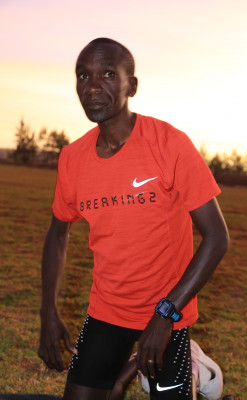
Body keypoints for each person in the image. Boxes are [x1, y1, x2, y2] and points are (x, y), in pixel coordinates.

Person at [38, 37, 229, 400]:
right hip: (106, 310)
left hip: (167, 315)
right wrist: (48, 312)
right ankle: (124, 372)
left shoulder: (169, 144)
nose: (92, 87)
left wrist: (165, 314)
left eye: (108, 74)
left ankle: (190, 361)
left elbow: (217, 237)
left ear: (132, 86)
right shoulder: (72, 158)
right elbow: (58, 231)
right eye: (83, 76)